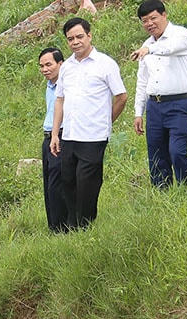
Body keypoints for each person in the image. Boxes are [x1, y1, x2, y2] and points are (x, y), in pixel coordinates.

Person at [50, 18, 128, 229]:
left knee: (87, 183)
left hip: (93, 136)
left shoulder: (105, 64)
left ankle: (86, 224)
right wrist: (56, 133)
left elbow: (121, 96)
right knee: (68, 181)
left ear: (89, 35)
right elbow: (60, 100)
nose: (75, 42)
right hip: (70, 134)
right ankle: (72, 222)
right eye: (70, 39)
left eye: (79, 37)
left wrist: (106, 121)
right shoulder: (66, 67)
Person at [130, 0, 187, 188]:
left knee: (177, 151)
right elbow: (142, 81)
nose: (149, 24)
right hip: (154, 106)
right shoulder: (146, 45)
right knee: (156, 153)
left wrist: (149, 49)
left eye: (153, 18)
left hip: (179, 103)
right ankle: (162, 193)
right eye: (144, 21)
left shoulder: (181, 35)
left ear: (164, 15)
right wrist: (138, 112)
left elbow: (170, 49)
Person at [39, 47, 68, 232]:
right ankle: (53, 226)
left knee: (58, 183)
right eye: (41, 66)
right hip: (48, 136)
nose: (44, 69)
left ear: (60, 64)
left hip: (62, 136)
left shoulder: (67, 85)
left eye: (48, 64)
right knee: (49, 183)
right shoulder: (49, 87)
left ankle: (63, 227)